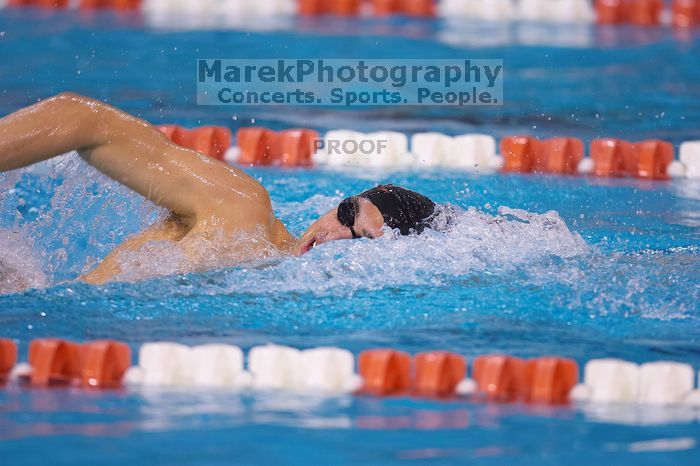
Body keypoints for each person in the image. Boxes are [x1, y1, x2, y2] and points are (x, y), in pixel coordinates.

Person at [0, 93, 438, 284]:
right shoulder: (242, 209)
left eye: (358, 238)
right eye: (346, 213)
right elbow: (82, 118)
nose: (335, 236)